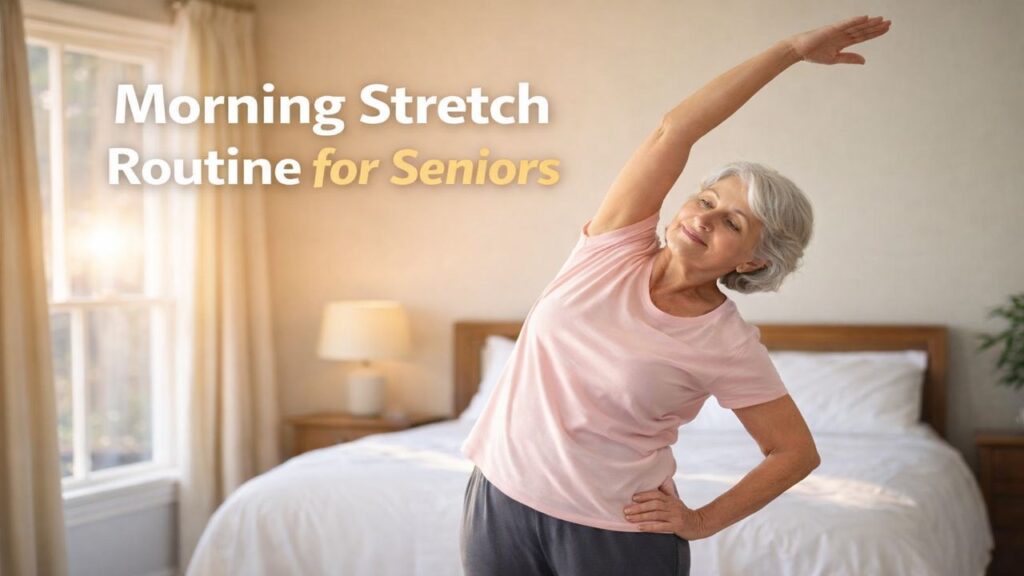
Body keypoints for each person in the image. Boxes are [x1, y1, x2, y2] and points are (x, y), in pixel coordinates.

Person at [460, 14, 892, 576]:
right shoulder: (611, 249)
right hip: (498, 500)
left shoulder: (727, 343)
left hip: (613, 533)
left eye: (733, 223)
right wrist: (788, 50)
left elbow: (794, 454)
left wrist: (701, 520)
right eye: (707, 200)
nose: (704, 219)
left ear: (753, 260)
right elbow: (675, 130)